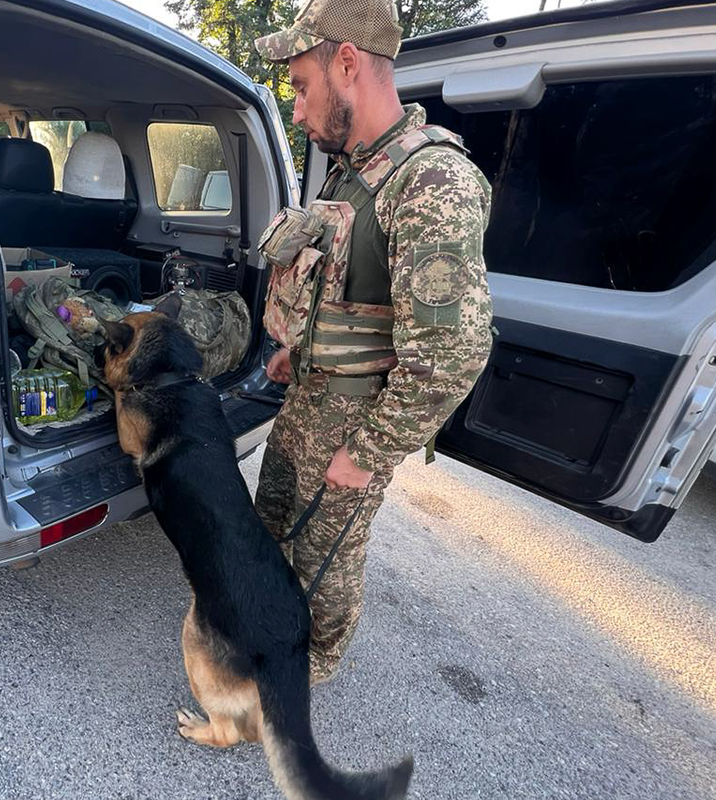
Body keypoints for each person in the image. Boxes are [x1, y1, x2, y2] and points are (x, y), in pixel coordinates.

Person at [253, 0, 494, 684]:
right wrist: (297, 349)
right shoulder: (354, 168)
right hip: (307, 399)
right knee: (270, 526)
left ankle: (309, 666)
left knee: (325, 561)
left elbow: (450, 357)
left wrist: (366, 454)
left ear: (348, 62)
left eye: (301, 87)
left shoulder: (430, 180)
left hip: (352, 424)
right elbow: (346, 288)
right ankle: (265, 626)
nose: (296, 111)